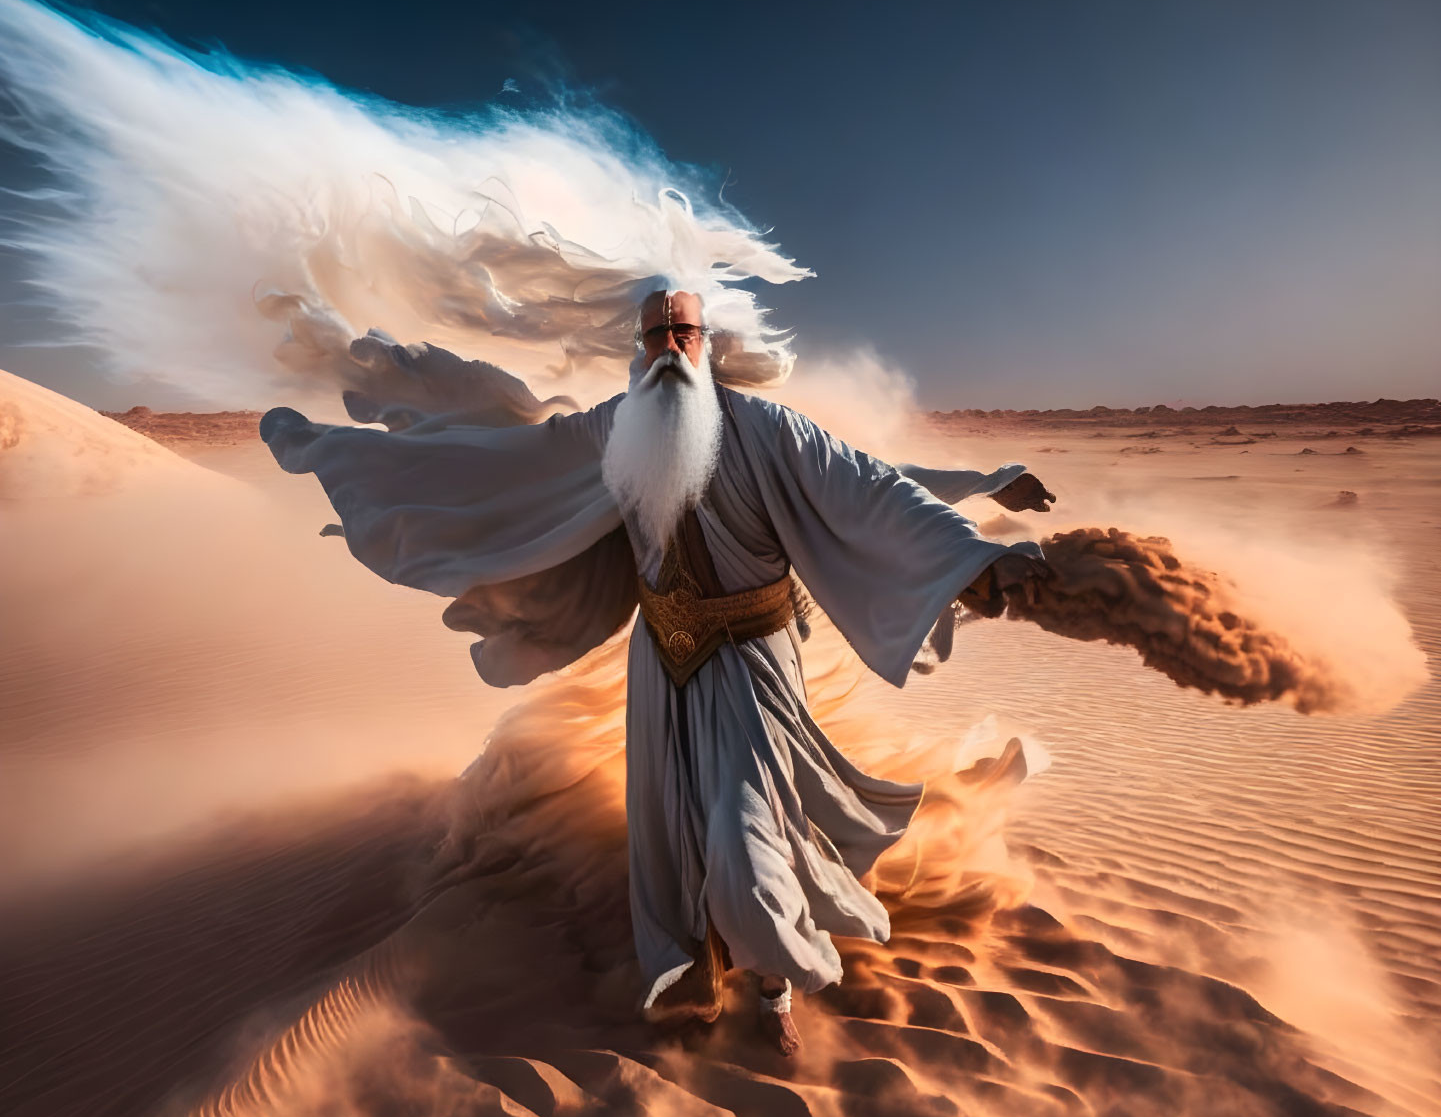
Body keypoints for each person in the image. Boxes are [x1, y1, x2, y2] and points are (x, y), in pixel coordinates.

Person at [261, 288, 1053, 1055]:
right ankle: (693, 969)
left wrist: (972, 542)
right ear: (636, 349)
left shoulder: (765, 426)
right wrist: (347, 455)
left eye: (684, 332)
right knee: (671, 835)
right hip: (660, 660)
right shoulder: (616, 427)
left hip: (752, 662)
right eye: (655, 335)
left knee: (747, 840)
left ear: (707, 343)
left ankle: (775, 990)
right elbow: (507, 461)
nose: (669, 346)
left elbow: (872, 485)